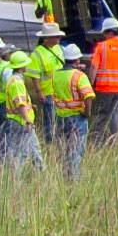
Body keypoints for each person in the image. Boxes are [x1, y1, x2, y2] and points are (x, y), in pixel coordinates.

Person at [47, 43, 96, 181]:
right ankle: (74, 180)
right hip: (76, 118)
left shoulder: (55, 75)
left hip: (60, 117)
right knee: (76, 152)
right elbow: (88, 96)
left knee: (63, 151)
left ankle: (64, 177)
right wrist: (87, 113)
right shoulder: (79, 76)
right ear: (77, 60)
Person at [0, 54, 45, 172]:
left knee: (35, 151)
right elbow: (20, 104)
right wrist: (27, 121)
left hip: (22, 122)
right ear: (22, 66)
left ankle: (41, 174)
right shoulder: (16, 82)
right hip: (20, 122)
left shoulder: (14, 79)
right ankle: (15, 181)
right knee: (20, 155)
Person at [24, 23, 64, 142]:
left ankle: (59, 140)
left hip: (61, 90)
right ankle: (50, 141)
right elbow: (34, 75)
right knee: (50, 119)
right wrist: (39, 92)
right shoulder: (37, 53)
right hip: (48, 92)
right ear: (47, 38)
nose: (59, 38)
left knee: (60, 118)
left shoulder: (58, 49)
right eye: (56, 36)